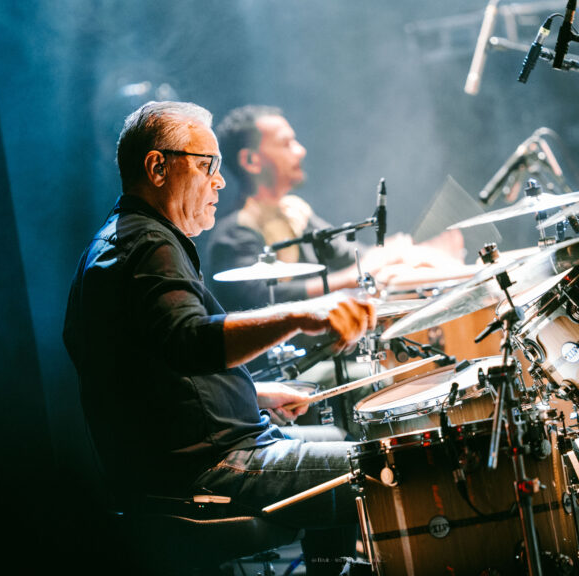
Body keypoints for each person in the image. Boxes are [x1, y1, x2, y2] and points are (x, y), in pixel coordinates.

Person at [63, 101, 377, 574]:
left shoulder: (118, 242)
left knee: (338, 436)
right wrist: (301, 313)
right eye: (208, 165)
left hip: (192, 458)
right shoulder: (147, 245)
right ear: (157, 166)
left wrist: (254, 392)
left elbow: (150, 368)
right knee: (383, 467)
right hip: (212, 467)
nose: (220, 180)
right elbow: (191, 340)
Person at [204, 105, 463, 312]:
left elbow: (352, 255)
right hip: (297, 369)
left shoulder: (295, 212)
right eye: (286, 144)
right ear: (251, 160)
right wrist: (359, 273)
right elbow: (263, 300)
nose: (301, 151)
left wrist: (417, 254)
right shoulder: (234, 234)